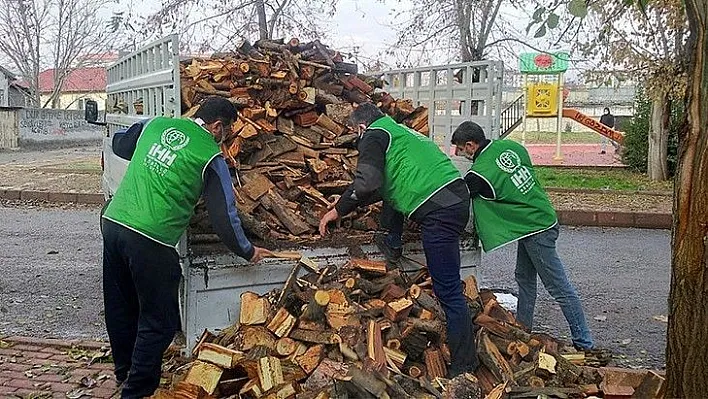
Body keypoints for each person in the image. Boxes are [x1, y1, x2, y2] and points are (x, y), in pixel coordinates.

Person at [101, 96, 272, 398]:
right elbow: (224, 216)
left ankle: (124, 371)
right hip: (152, 238)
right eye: (229, 131)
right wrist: (247, 250)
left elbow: (120, 145)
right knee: (162, 321)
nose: (228, 137)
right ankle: (137, 392)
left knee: (121, 305)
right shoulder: (210, 156)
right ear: (218, 126)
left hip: (114, 223)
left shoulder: (156, 125)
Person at [319, 102, 478, 376]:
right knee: (394, 205)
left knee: (449, 291)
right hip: (452, 198)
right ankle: (391, 240)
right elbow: (382, 184)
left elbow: (367, 182)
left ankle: (464, 367)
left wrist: (338, 209)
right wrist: (345, 203)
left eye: (355, 134)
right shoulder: (399, 132)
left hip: (439, 209)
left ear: (360, 127)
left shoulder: (373, 135)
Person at [451, 121, 594, 351]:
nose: (459, 154)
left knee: (559, 287)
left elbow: (459, 193)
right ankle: (523, 331)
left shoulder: (480, 173)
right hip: (541, 217)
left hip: (535, 228)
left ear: (470, 145)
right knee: (524, 280)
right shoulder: (510, 147)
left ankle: (584, 342)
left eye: (459, 149)